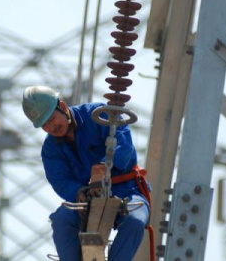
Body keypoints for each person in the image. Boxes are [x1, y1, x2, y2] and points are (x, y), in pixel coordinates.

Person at [22, 85, 150, 261]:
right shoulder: (51, 149)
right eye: (45, 125)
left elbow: (124, 146)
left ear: (63, 106)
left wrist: (103, 167)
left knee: (135, 220)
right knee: (62, 220)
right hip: (87, 200)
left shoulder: (100, 115)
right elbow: (60, 181)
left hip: (127, 190)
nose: (52, 127)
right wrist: (80, 192)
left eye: (52, 119)